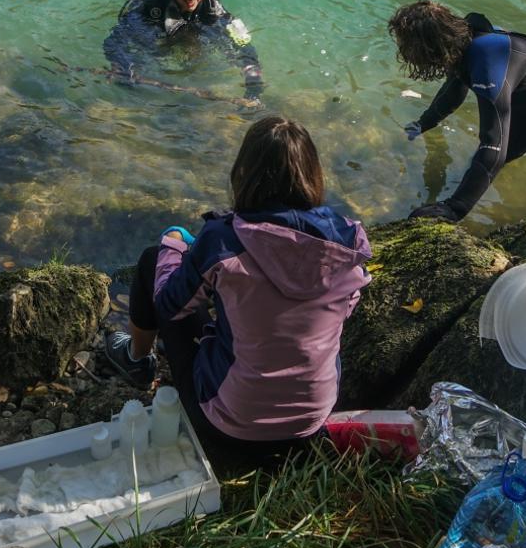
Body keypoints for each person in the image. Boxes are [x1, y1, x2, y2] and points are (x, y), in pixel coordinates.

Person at [102, 116, 371, 463]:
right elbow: (344, 308)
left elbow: (170, 306)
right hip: (309, 425)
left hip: (229, 426)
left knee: (155, 260)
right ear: (313, 175)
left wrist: (174, 247)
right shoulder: (348, 242)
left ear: (244, 173)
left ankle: (137, 360)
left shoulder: (223, 241)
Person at [390, 0, 526, 222]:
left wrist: (455, 209)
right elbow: (452, 93)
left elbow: (492, 145)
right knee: (487, 162)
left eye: (407, 47)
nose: (405, 54)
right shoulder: (464, 44)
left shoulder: (486, 61)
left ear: (429, 45)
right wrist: (423, 124)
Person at [103, 0, 264, 98]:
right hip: (163, 26)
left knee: (199, 55)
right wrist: (122, 67)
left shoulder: (212, 6)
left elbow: (243, 43)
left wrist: (252, 75)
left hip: (190, 25)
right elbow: (114, 41)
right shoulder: (150, 8)